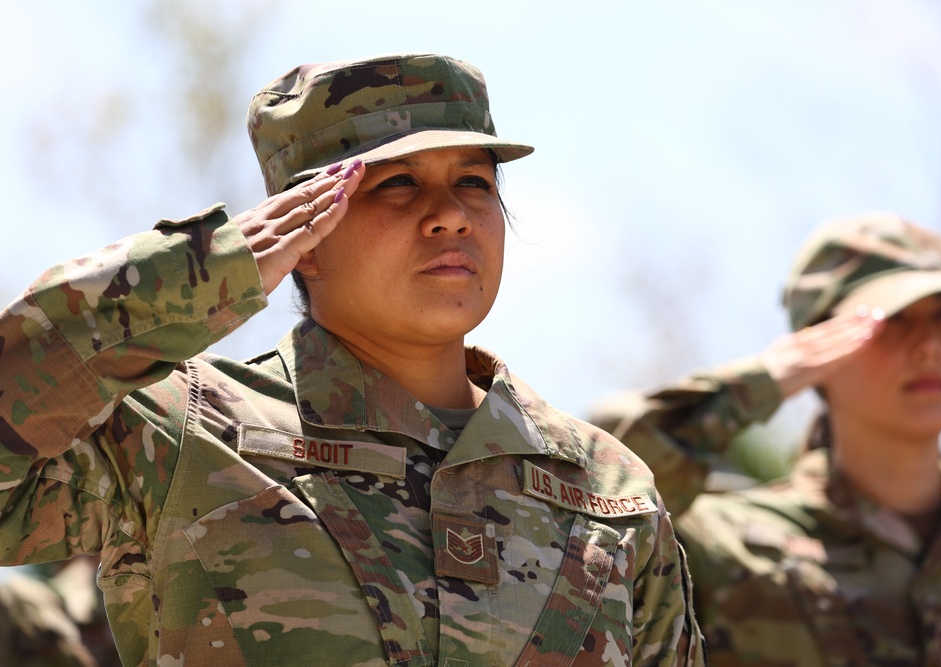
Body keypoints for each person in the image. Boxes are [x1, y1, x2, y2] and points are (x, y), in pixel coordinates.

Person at [0, 53, 704, 666]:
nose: (451, 213)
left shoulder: (608, 490)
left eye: (475, 182)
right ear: (302, 228)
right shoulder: (181, 432)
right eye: (396, 183)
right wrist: (196, 273)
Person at [601, 212, 941, 665]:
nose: (931, 345)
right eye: (893, 319)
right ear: (817, 346)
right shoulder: (731, 547)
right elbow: (594, 498)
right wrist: (756, 385)